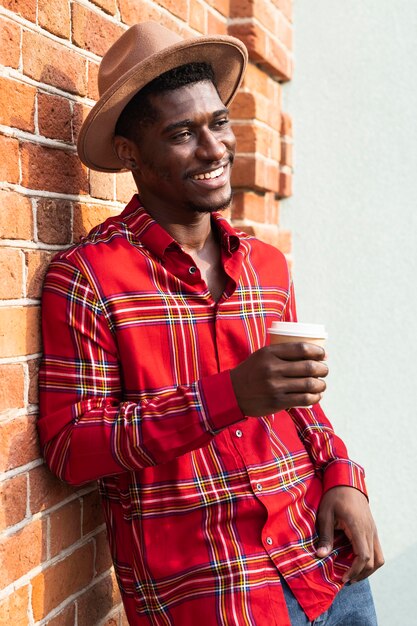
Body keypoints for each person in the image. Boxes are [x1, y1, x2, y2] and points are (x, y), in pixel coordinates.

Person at [38, 21, 384, 626]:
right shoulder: (88, 277)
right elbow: (72, 447)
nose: (215, 148)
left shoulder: (267, 266)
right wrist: (227, 396)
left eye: (218, 123)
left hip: (326, 568)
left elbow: (300, 406)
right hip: (215, 594)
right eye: (182, 133)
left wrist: (342, 475)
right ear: (130, 154)